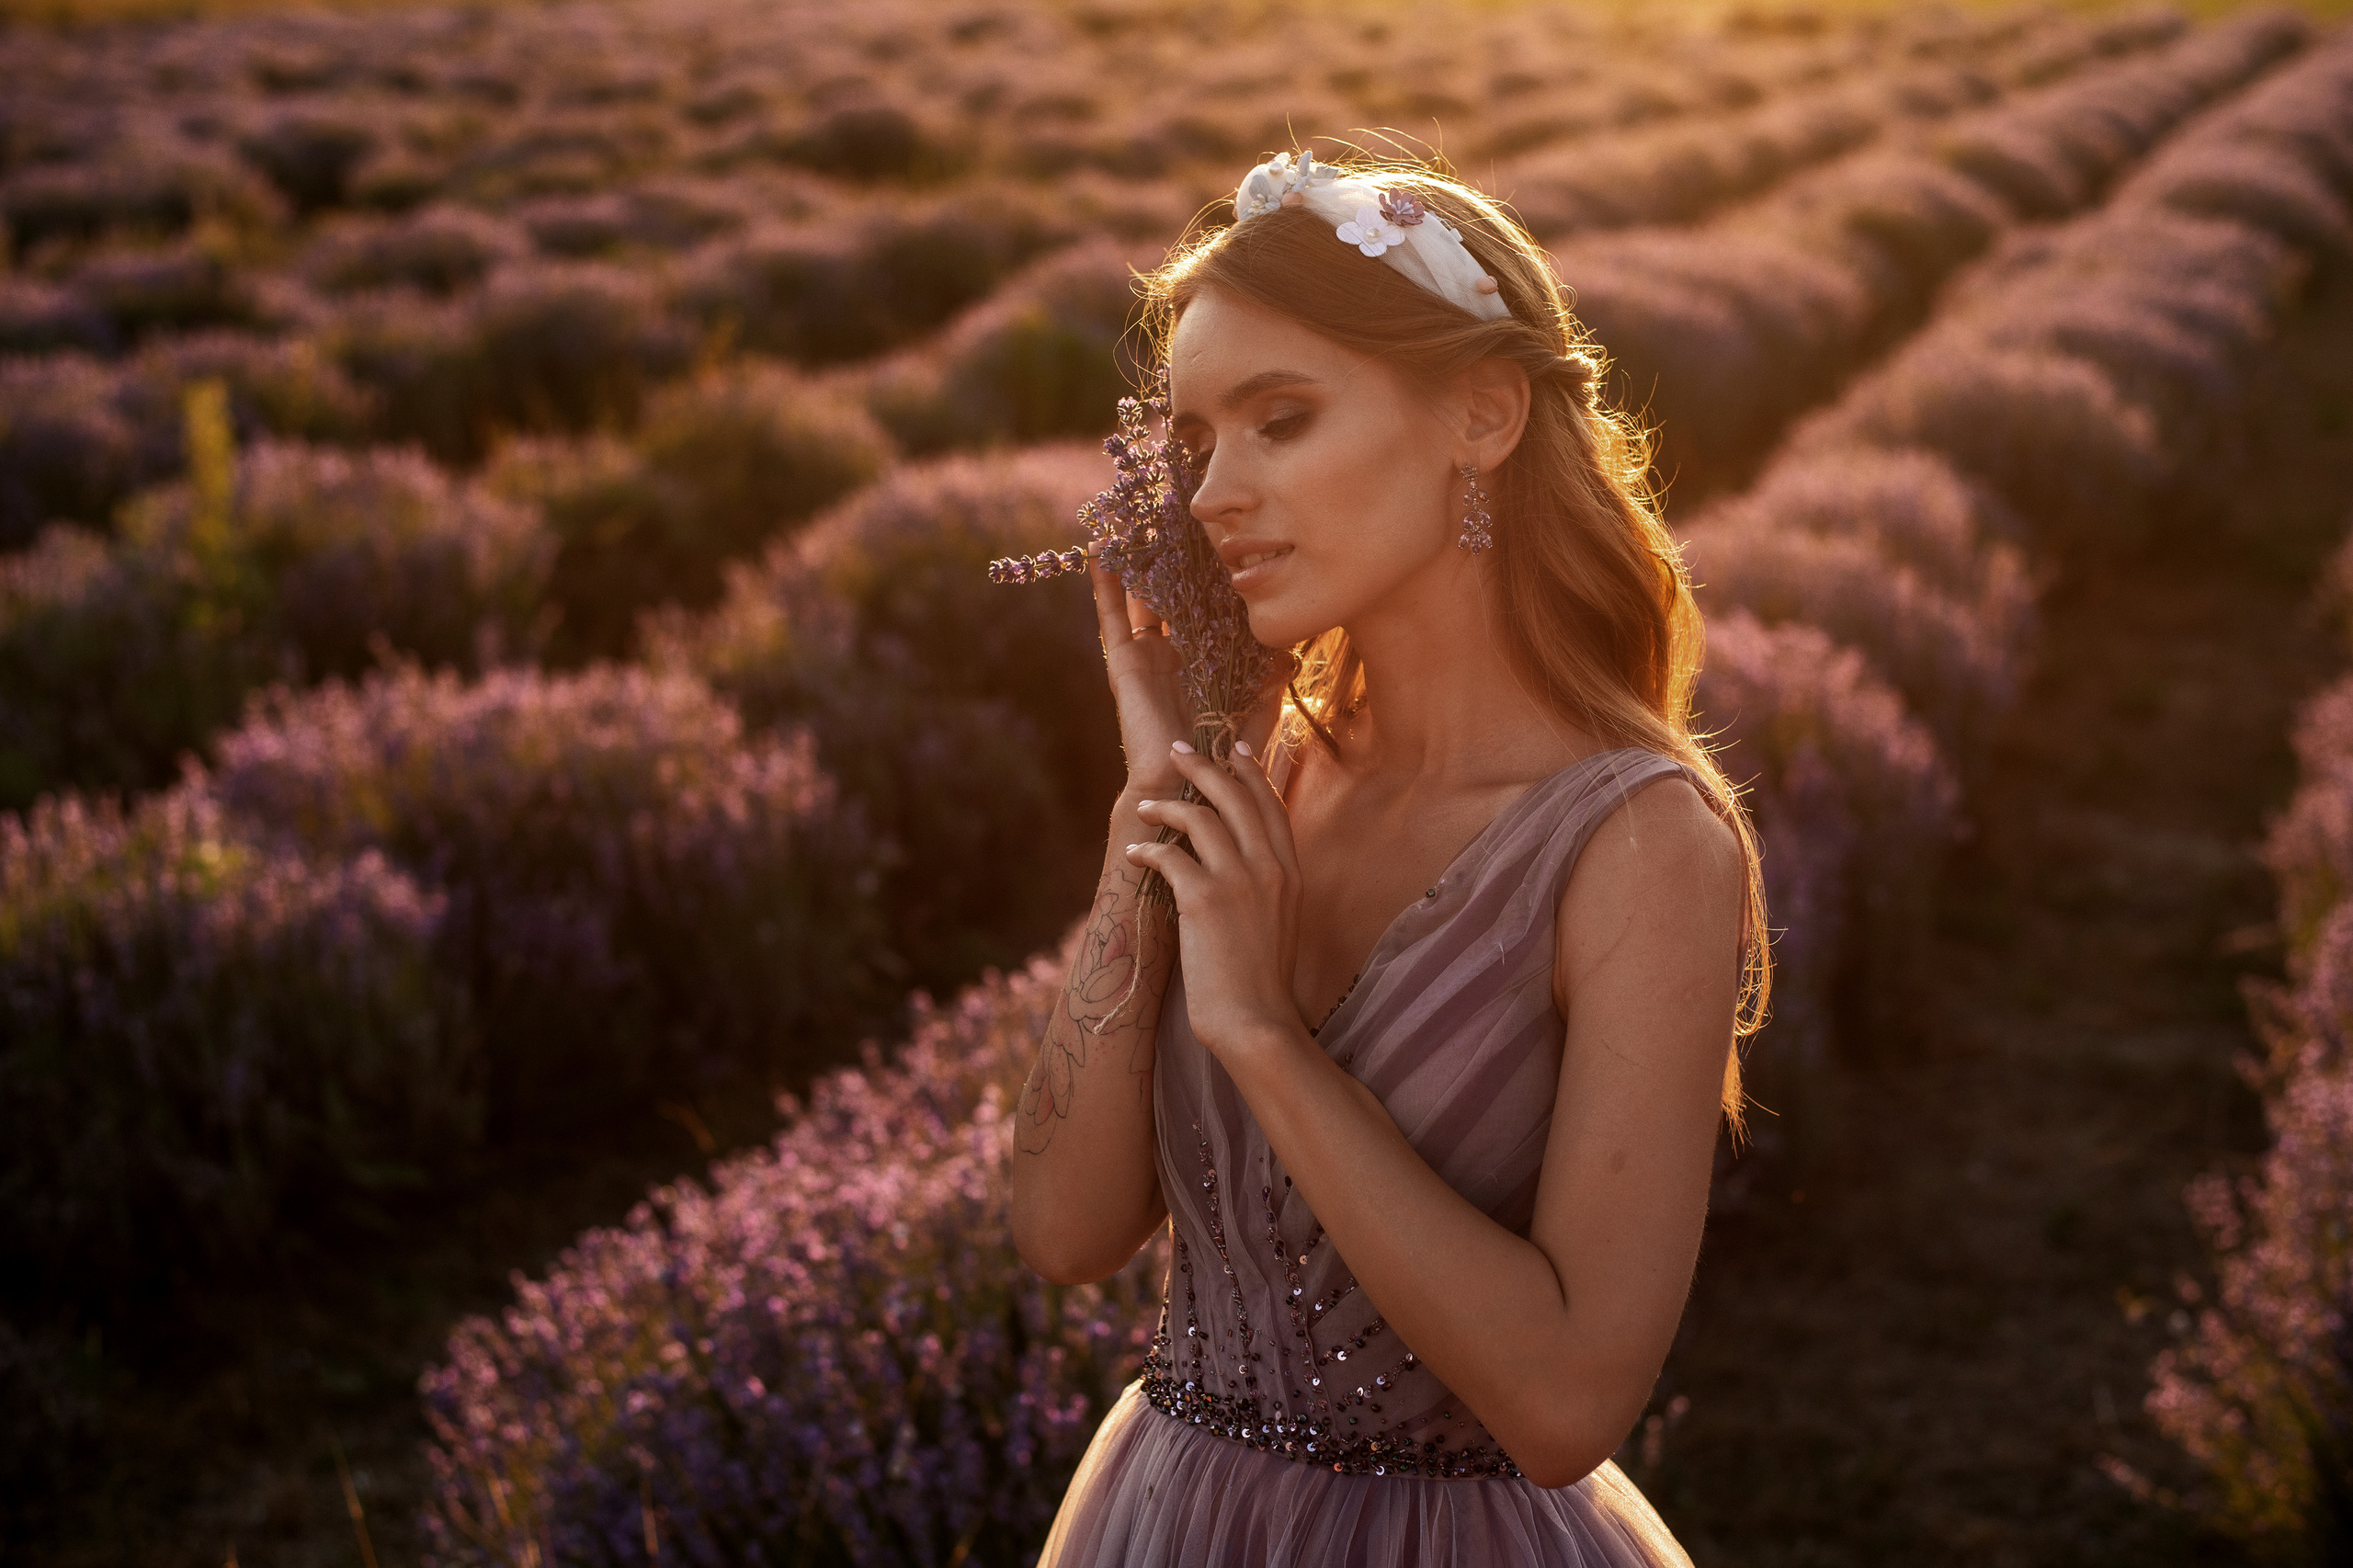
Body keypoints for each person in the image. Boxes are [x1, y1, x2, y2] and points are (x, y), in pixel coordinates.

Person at [1008, 149, 1771, 1567]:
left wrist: (1260, 1032)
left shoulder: (1641, 845)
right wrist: (1155, 811)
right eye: (1197, 444)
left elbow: (1565, 1403)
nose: (1212, 495)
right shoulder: (1268, 777)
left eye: (1281, 420)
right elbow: (1063, 1229)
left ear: (1482, 412)